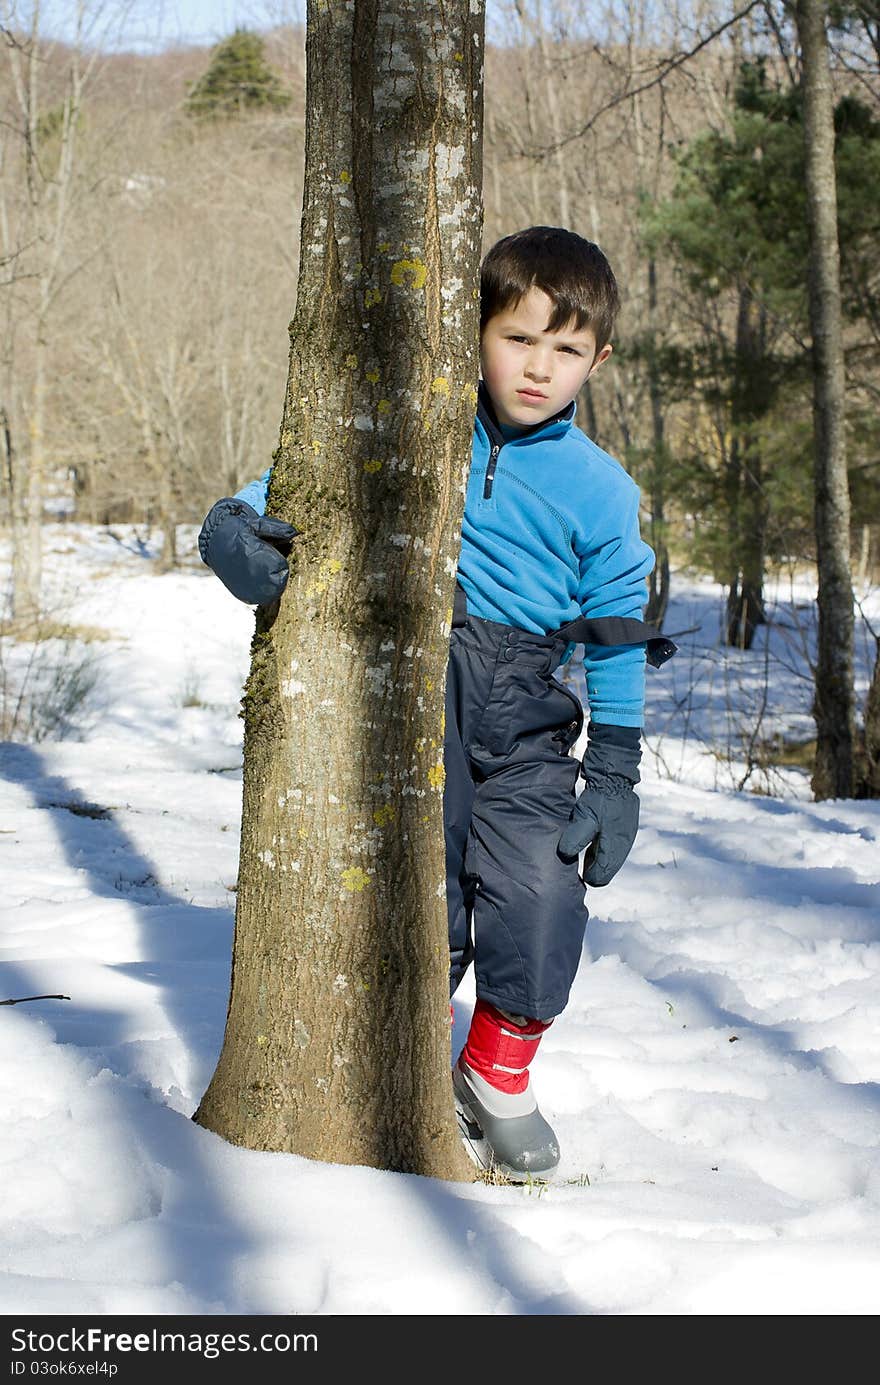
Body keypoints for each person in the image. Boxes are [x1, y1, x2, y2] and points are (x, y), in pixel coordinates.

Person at [198, 226, 674, 1182]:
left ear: (599, 359)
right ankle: (399, 1065)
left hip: (529, 707)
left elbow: (617, 629)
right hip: (420, 695)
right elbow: (292, 489)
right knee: (429, 894)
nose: (539, 367)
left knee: (542, 888)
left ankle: (497, 1073)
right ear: (477, 333)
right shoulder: (420, 423)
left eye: (567, 348)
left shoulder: (600, 489)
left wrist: (616, 769)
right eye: (518, 337)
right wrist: (236, 526)